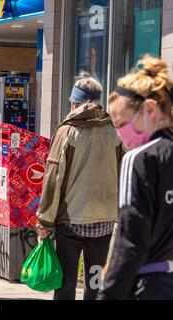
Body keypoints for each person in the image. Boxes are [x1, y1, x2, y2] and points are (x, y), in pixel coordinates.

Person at [36, 73, 124, 300]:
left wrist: (44, 220)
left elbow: (54, 178)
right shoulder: (114, 131)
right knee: (95, 284)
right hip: (104, 221)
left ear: (75, 102)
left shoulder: (67, 131)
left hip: (71, 222)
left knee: (65, 284)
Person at [98, 56, 173, 300]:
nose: (120, 135)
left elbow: (131, 241)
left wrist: (107, 294)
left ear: (149, 109)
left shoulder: (139, 159)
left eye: (121, 125)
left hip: (150, 285)